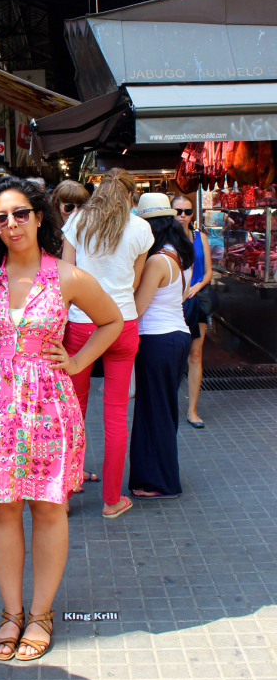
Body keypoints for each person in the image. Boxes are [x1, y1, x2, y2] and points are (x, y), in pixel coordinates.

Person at [0, 176, 122, 661]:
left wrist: (79, 363)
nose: (13, 223)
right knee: (1, 510)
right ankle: (11, 612)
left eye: (22, 213)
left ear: (41, 217)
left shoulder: (65, 276)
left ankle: (41, 613)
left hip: (48, 411)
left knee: (47, 508)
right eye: (2, 216)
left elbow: (113, 321)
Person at [62, 169, 153, 517]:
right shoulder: (140, 229)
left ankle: (66, 494)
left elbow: (66, 276)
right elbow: (134, 281)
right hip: (122, 324)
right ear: (131, 196)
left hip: (82, 325)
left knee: (73, 412)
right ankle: (112, 501)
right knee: (116, 413)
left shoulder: (78, 221)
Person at [129, 194, 194, 499]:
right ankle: (159, 476)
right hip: (176, 336)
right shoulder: (180, 253)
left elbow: (138, 308)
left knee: (154, 411)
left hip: (157, 339)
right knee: (164, 410)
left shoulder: (156, 260)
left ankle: (163, 482)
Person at [171, 194, 213, 428]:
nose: (183, 216)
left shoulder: (201, 237)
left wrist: (196, 286)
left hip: (195, 301)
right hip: (171, 302)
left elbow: (208, 272)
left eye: (187, 212)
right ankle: (167, 405)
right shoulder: (163, 237)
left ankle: (192, 409)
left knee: (195, 355)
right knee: (173, 355)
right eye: (178, 211)